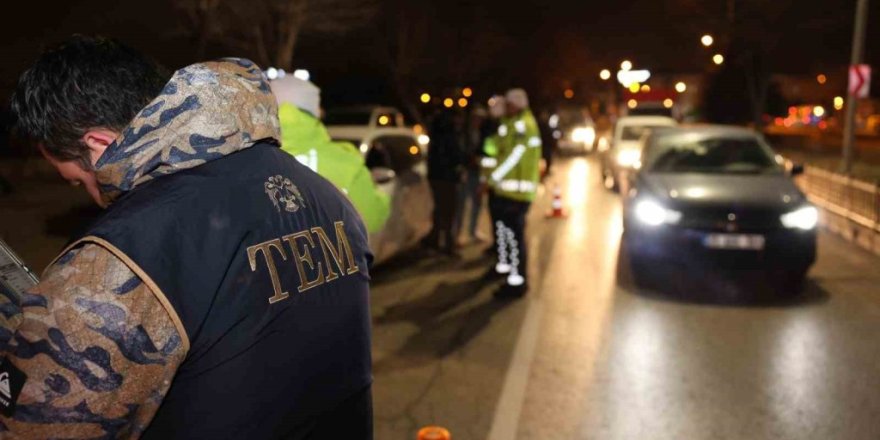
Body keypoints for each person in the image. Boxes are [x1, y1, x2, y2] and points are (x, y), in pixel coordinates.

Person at [3, 36, 373, 438]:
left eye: (79, 181)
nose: (95, 197)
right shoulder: (327, 197)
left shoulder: (124, 256)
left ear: (100, 144)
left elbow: (34, 428)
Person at [271, 75, 390, 233]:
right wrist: (383, 198)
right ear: (316, 112)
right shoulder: (346, 164)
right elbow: (373, 219)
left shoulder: (245, 160)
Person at [488, 89, 542, 299]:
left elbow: (513, 157)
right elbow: (496, 149)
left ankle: (517, 283)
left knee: (514, 240)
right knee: (506, 236)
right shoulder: (511, 123)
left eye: (509, 104)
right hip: (508, 192)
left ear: (518, 105)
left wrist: (493, 178)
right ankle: (508, 273)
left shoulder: (523, 126)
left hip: (517, 193)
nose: (506, 108)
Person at [423, 107, 464, 256]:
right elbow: (456, 156)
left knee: (440, 211)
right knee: (448, 212)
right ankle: (447, 244)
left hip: (438, 178)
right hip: (447, 179)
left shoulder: (436, 136)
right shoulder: (449, 137)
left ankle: (435, 240)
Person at [454, 106, 490, 244]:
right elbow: (461, 152)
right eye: (475, 118)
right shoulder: (464, 134)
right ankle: (457, 233)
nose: (477, 121)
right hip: (466, 172)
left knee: (477, 203)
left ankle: (472, 231)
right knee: (461, 205)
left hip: (478, 172)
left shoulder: (483, 134)